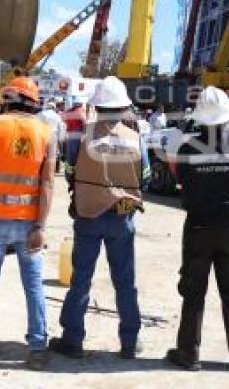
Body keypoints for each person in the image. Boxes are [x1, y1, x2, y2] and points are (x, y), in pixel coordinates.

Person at [49, 76, 151, 360]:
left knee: (81, 278)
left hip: (88, 216)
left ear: (98, 105)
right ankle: (130, 342)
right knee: (125, 281)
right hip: (122, 218)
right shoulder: (136, 139)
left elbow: (70, 172)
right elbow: (147, 179)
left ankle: (72, 340)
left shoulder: (81, 137)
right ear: (123, 107)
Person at [0, 76, 56, 370]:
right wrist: (40, 226)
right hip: (29, 223)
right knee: (33, 285)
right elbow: (48, 182)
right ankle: (38, 349)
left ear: (7, 99)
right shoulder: (46, 132)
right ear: (33, 102)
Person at [165, 86, 229, 373]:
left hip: (198, 228)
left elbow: (182, 181)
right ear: (227, 116)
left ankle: (188, 354)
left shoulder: (187, 149)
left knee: (194, 293)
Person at [38, 100, 66, 173]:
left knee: (42, 154)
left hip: (42, 137)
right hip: (53, 137)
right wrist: (61, 140)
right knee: (54, 155)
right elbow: (60, 128)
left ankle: (41, 169)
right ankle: (53, 170)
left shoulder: (39, 114)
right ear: (53, 108)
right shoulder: (57, 116)